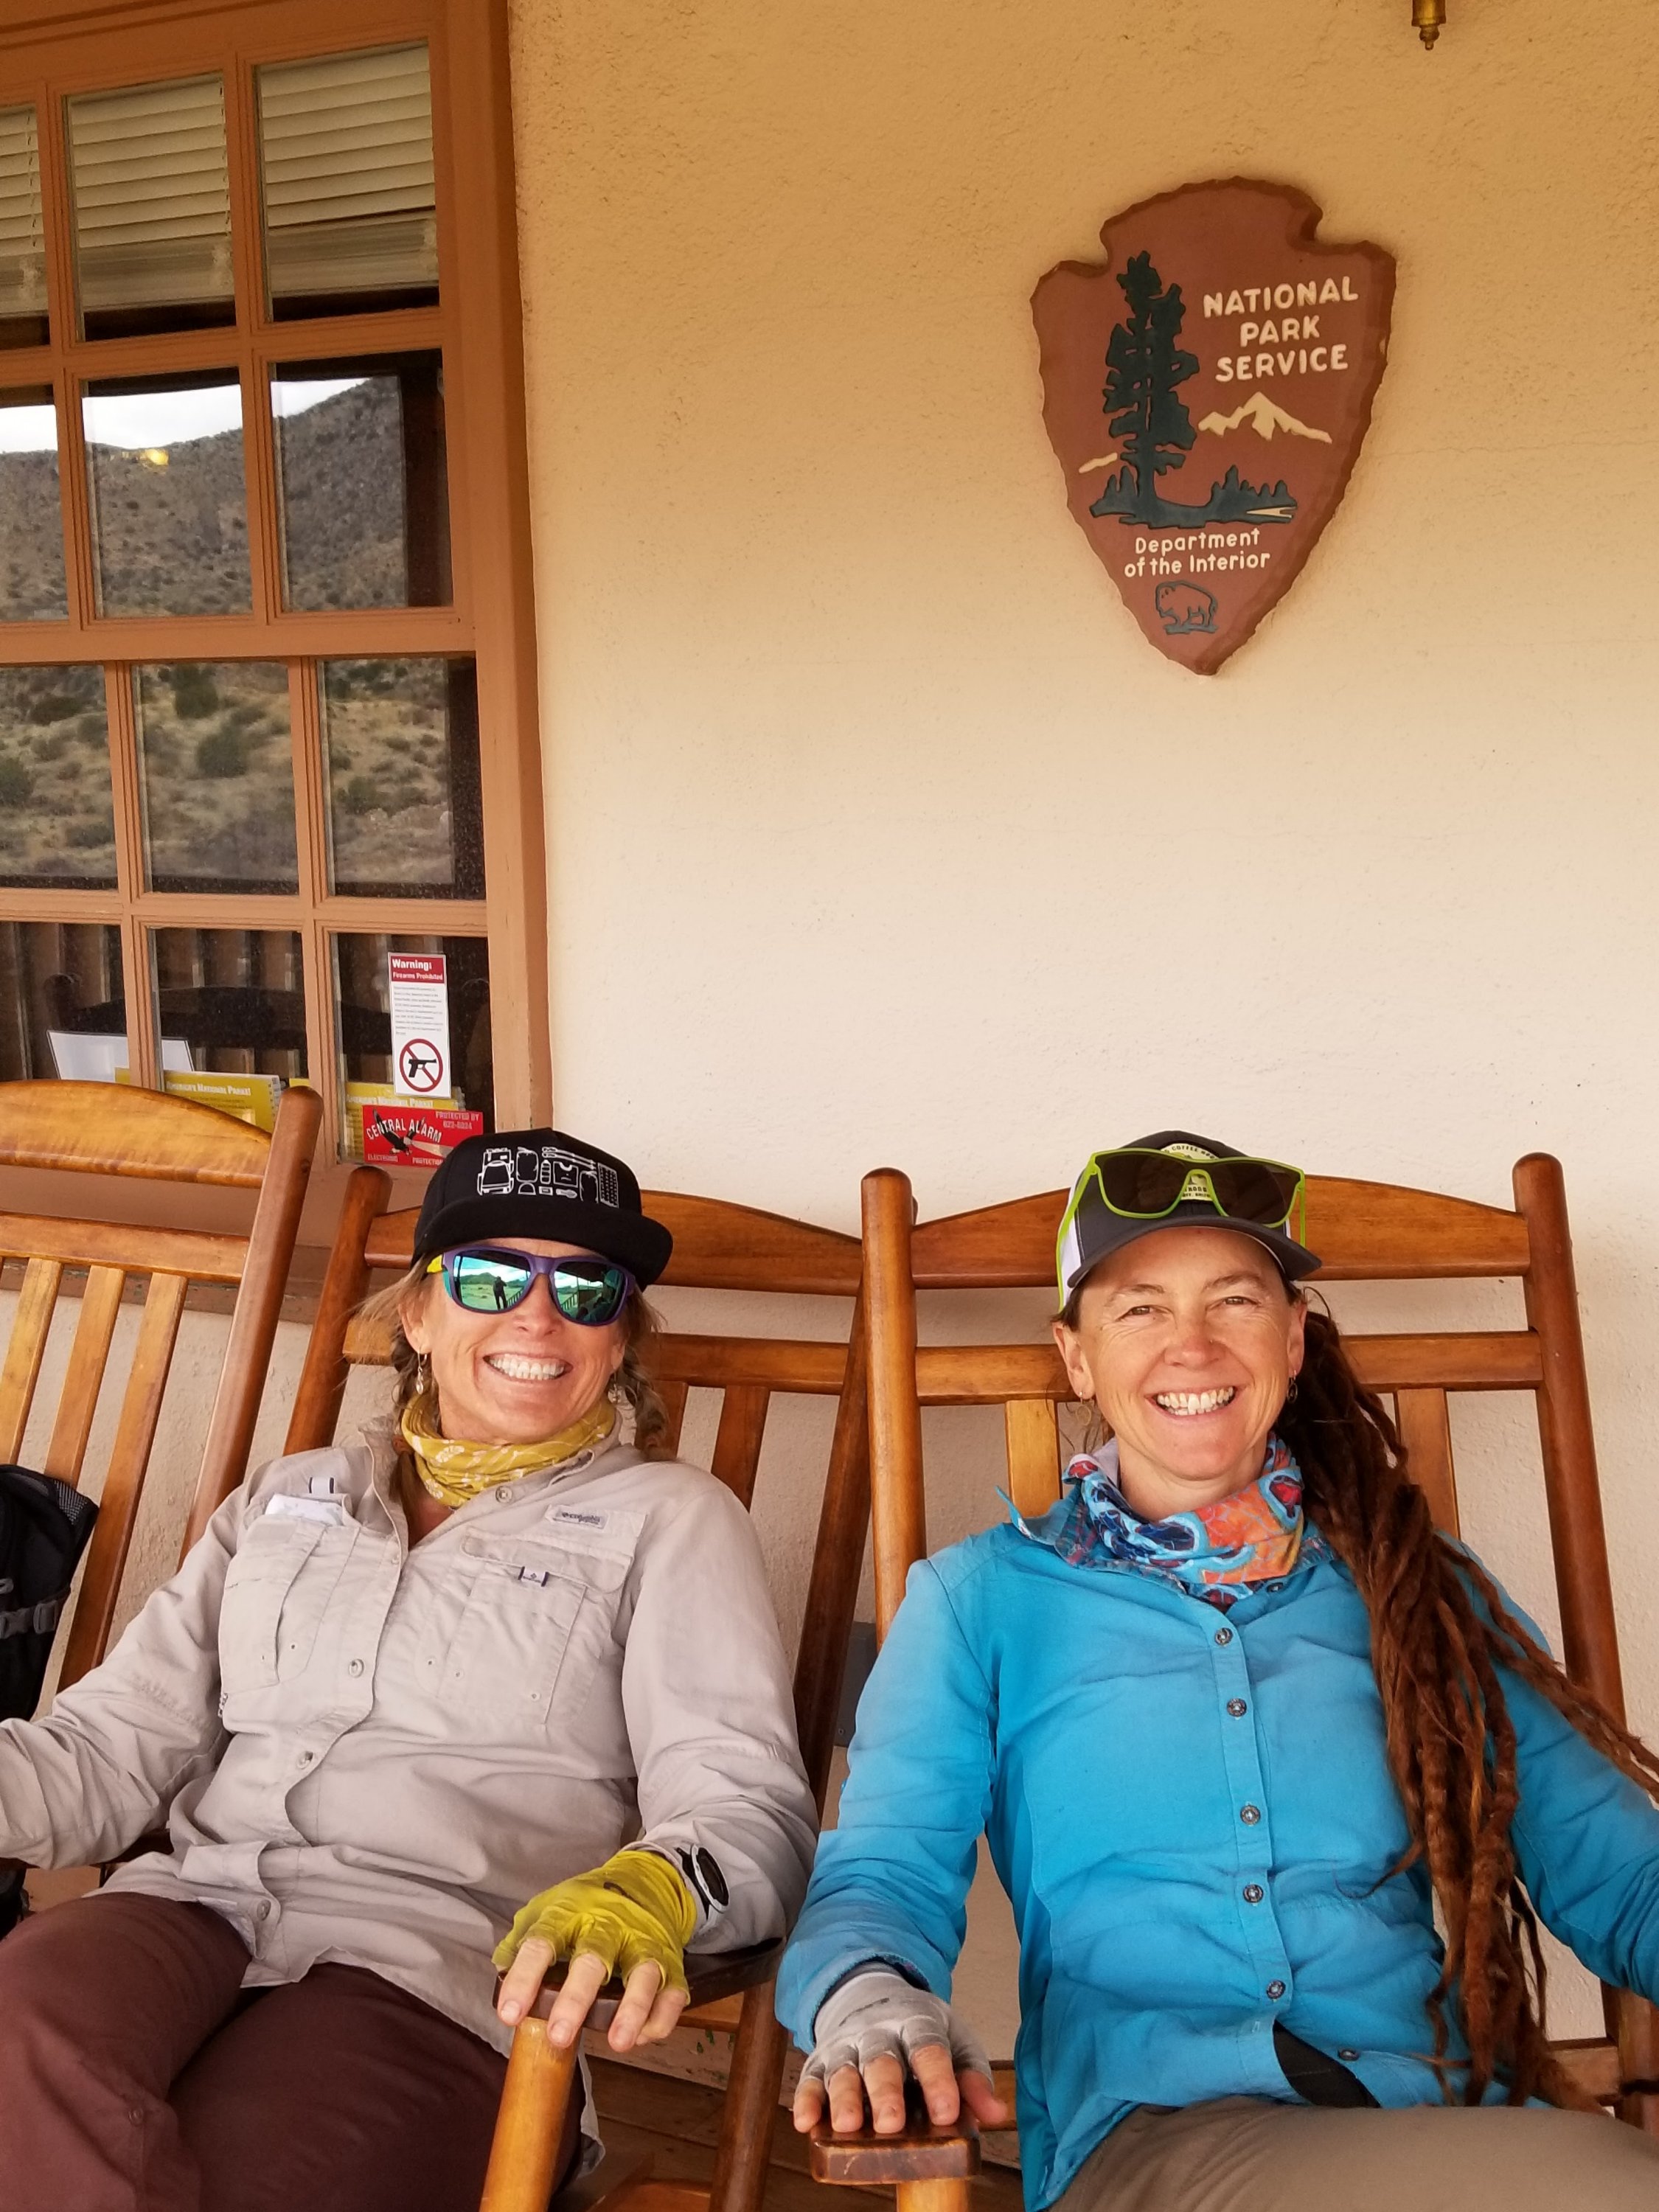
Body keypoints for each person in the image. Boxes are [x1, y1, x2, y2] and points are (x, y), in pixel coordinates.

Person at [777, 1132, 1659, 2212]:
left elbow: (1620, 1873)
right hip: (1161, 2132)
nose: (1190, 1347)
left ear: (1292, 1338)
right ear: (1076, 1358)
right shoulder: (980, 1602)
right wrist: (869, 2001)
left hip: (1437, 2113)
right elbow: (883, 1873)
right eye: (1140, 1309)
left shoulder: (1414, 1587)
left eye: (1234, 1301)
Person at [0, 1127, 815, 2212]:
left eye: (586, 1289)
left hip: (437, 1965)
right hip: (189, 1906)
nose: (537, 1315)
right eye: (489, 1277)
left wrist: (657, 1890)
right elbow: (110, 1748)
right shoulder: (292, 1494)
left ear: (618, 1340)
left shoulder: (672, 1521)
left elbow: (746, 1806)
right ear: (418, 1315)